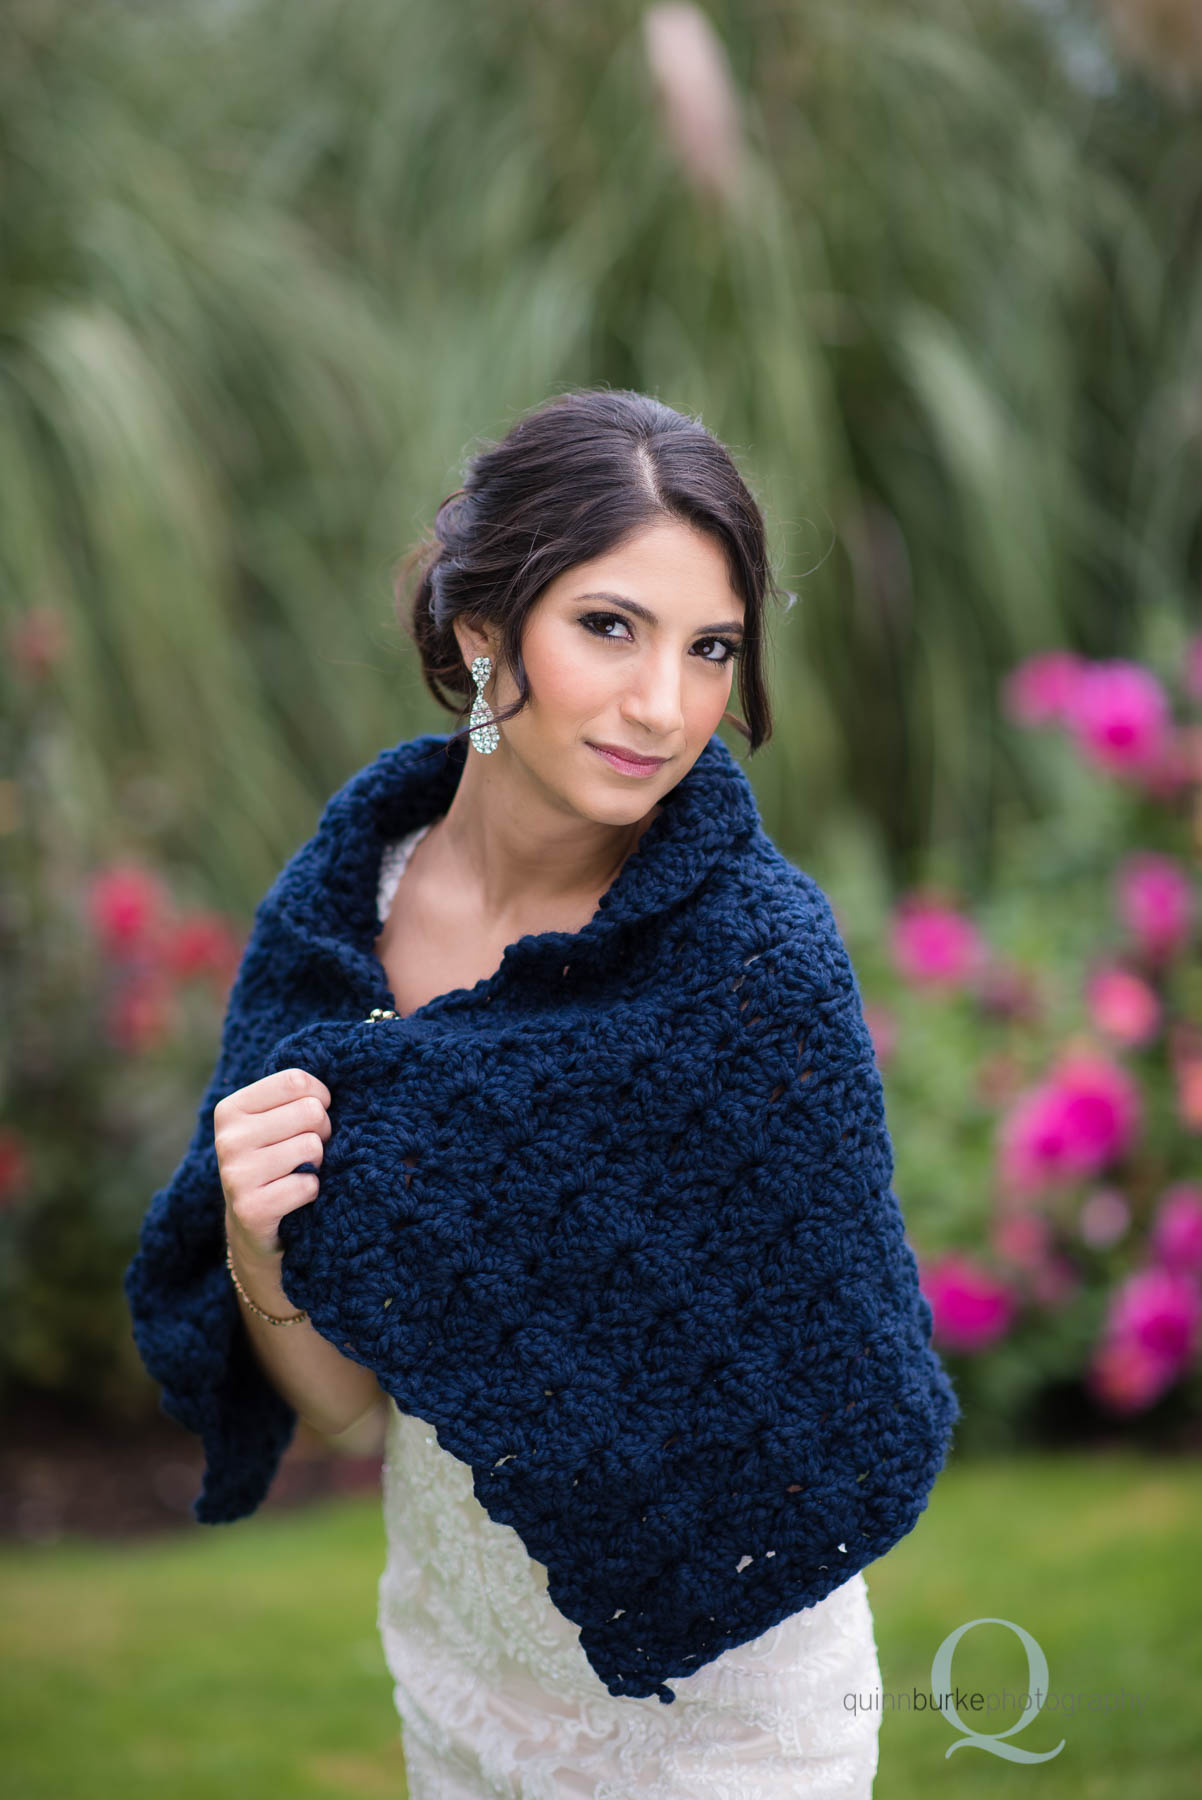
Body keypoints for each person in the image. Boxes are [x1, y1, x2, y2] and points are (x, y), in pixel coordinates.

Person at [142, 388, 891, 1795]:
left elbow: (813, 1381)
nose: (661, 705)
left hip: (733, 1711)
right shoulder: (336, 923)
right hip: (458, 1671)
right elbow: (349, 1409)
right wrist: (257, 1242)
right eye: (608, 626)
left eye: (709, 647)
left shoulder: (753, 968)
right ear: (482, 628)